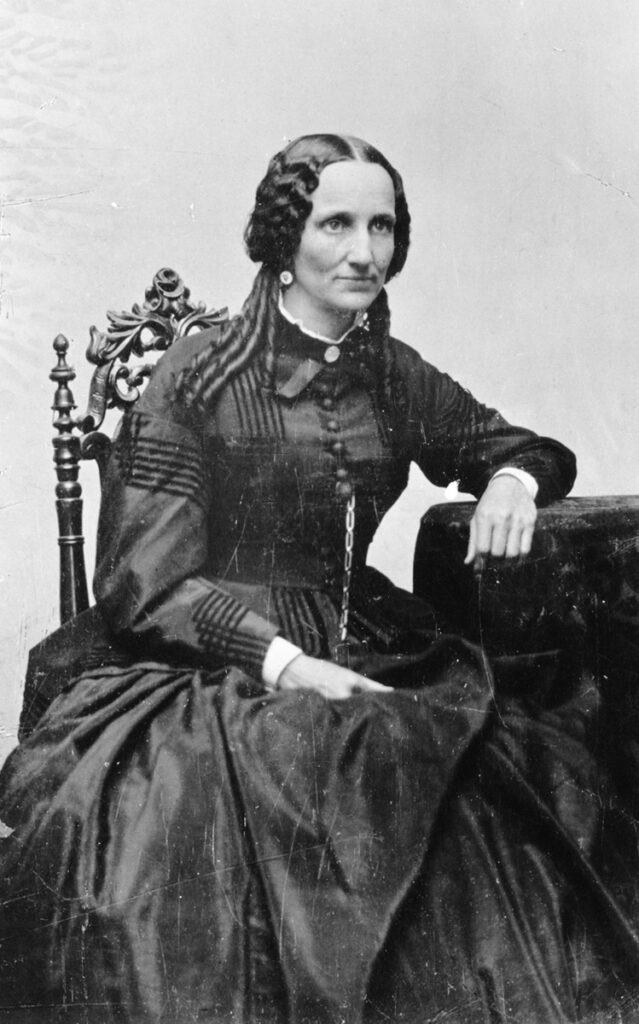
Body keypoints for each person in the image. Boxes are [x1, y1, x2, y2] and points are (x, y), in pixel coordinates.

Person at [0, 133, 635, 1024]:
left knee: (497, 783)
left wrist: (509, 481)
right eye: (335, 223)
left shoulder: (388, 373)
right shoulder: (199, 374)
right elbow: (147, 584)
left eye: (382, 226)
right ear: (283, 238)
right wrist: (286, 665)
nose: (363, 251)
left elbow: (520, 446)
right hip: (204, 663)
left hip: (363, 634)